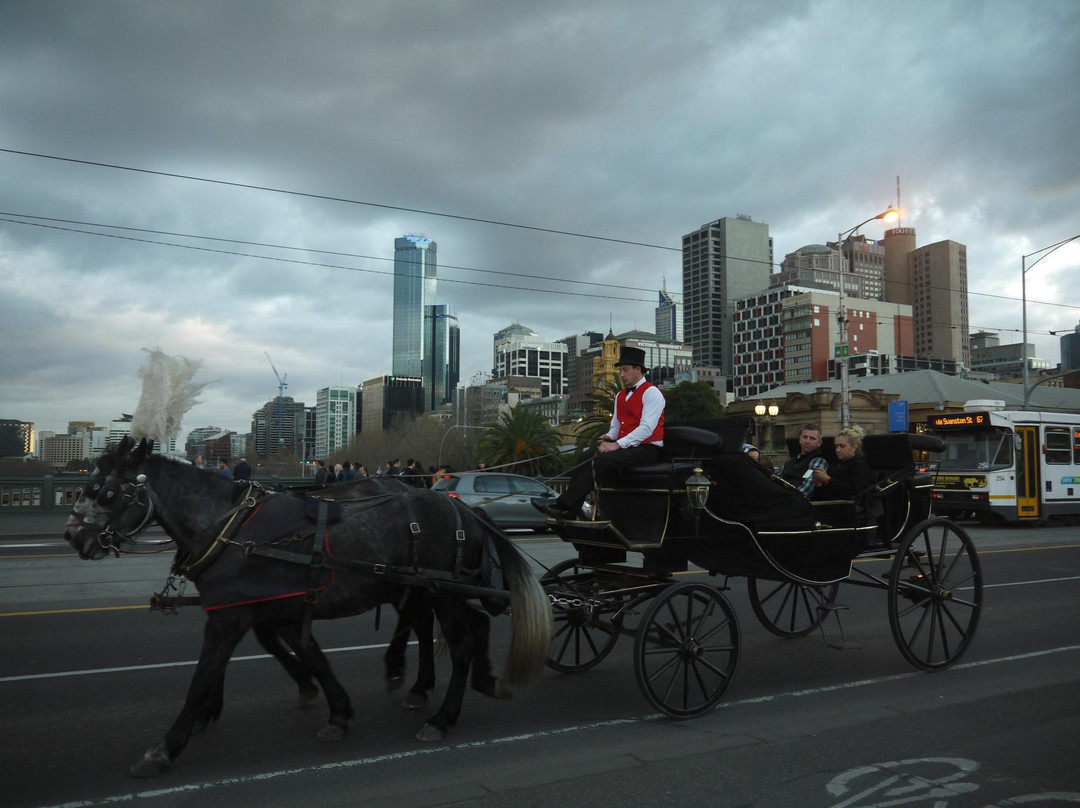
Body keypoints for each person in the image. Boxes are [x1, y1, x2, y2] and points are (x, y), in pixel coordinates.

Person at [532, 346, 665, 520]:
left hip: (647, 448)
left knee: (602, 461)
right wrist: (610, 436)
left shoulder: (652, 393)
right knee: (584, 457)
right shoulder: (620, 396)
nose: (622, 375)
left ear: (638, 369)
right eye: (620, 370)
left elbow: (647, 428)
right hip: (628, 447)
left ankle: (564, 505)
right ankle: (570, 510)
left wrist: (616, 444)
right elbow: (616, 425)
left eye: (625, 370)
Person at [812, 425, 872, 499]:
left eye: (842, 446)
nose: (838, 450)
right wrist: (820, 484)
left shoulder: (860, 465)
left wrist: (827, 480)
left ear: (854, 447)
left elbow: (854, 490)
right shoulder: (834, 465)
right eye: (836, 446)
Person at [779, 423, 828, 497]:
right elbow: (778, 478)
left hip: (797, 501)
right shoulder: (790, 461)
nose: (807, 441)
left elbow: (807, 488)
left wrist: (787, 498)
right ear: (800, 439)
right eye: (805, 437)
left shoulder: (818, 460)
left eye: (812, 438)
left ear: (819, 443)